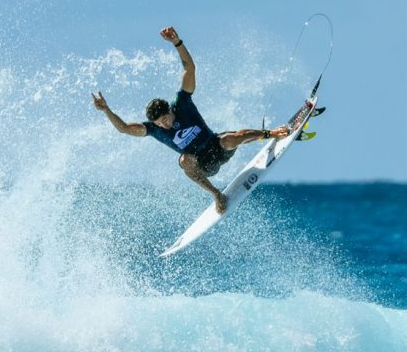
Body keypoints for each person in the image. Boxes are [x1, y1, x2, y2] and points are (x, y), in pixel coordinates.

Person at [92, 26, 289, 213]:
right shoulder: (154, 129)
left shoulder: (182, 103)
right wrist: (106, 110)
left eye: (166, 119)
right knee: (185, 161)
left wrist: (177, 42)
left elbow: (190, 69)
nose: (165, 124)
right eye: (160, 123)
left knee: (231, 138)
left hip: (217, 147)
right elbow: (124, 128)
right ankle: (216, 194)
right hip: (204, 165)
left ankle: (270, 133)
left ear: (170, 109)